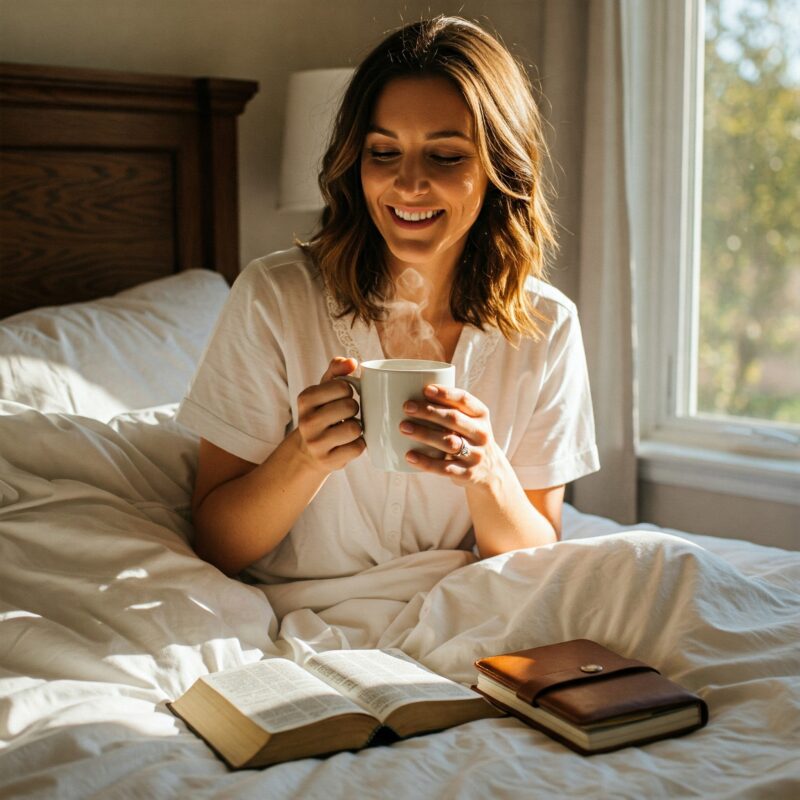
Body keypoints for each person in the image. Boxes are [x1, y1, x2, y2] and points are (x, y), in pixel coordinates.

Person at [176, 16, 599, 582]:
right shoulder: (274, 297)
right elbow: (216, 544)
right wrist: (303, 457)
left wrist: (488, 474)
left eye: (445, 156)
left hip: (459, 616)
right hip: (297, 617)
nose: (407, 183)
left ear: (500, 167)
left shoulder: (546, 323)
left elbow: (535, 556)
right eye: (383, 152)